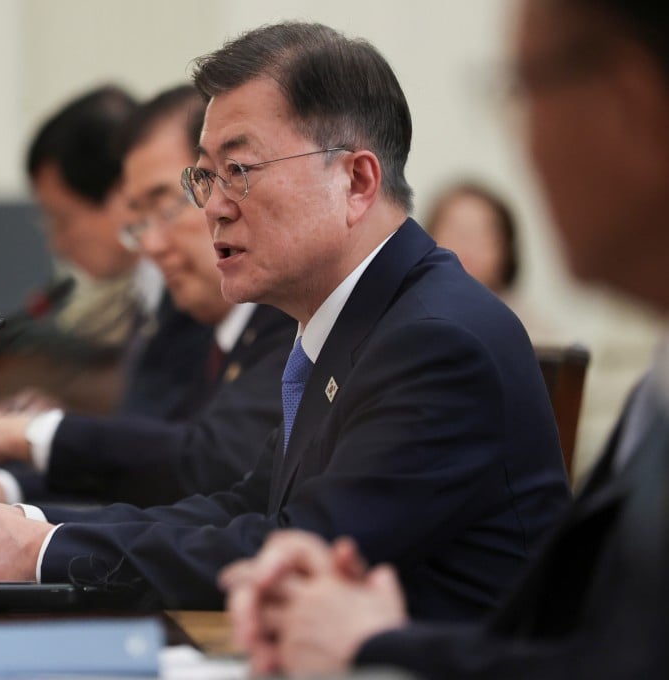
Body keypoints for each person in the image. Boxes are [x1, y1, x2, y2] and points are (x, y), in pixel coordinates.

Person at [0, 21, 569, 616]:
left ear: (357, 181)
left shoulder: (434, 339)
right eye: (204, 177)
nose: (212, 206)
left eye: (238, 170)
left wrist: (38, 550)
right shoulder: (357, 320)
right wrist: (23, 524)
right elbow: (240, 507)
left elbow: (298, 551)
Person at [222, 1, 669, 676]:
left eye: (524, 89)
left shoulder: (437, 335)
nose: (525, 144)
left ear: (630, 103)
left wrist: (371, 643)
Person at [0, 85, 295, 507]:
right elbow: (174, 493)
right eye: (140, 218)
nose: (149, 245)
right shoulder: (221, 319)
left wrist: (24, 436)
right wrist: (6, 492)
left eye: (168, 205)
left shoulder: (285, 316)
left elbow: (207, 466)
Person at [25, 85, 145, 346]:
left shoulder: (192, 304)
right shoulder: (104, 312)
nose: (57, 244)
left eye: (62, 220)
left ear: (125, 197)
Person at [425, 181, 565, 343]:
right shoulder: (408, 316)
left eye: (480, 234)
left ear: (506, 249)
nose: (466, 245)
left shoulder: (533, 331)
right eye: (456, 232)